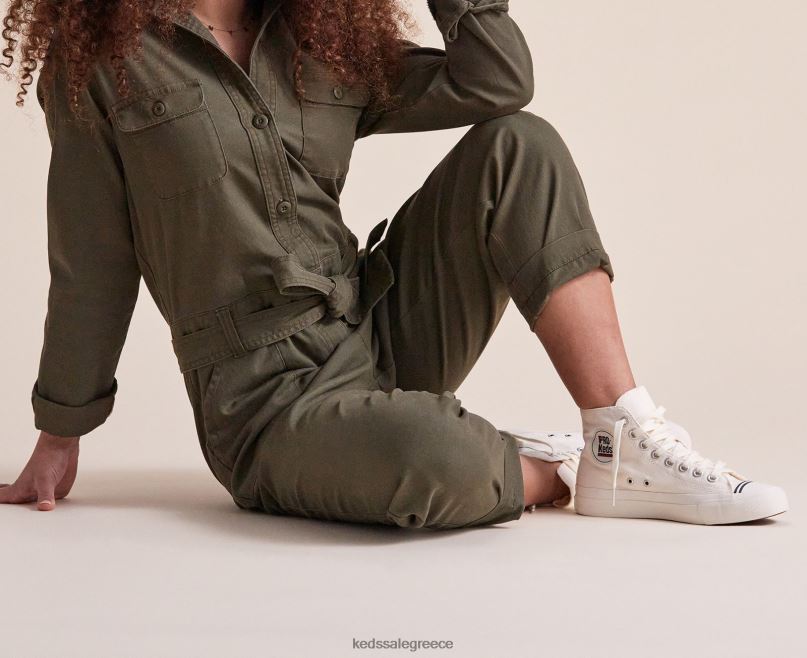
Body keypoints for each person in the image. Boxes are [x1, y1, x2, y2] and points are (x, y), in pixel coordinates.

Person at [0, 0, 787, 526]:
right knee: (432, 456)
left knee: (521, 145)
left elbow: (496, 82)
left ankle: (624, 435)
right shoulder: (97, 63)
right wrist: (60, 432)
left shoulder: (316, 36)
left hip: (376, 331)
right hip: (262, 404)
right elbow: (91, 265)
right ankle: (561, 471)